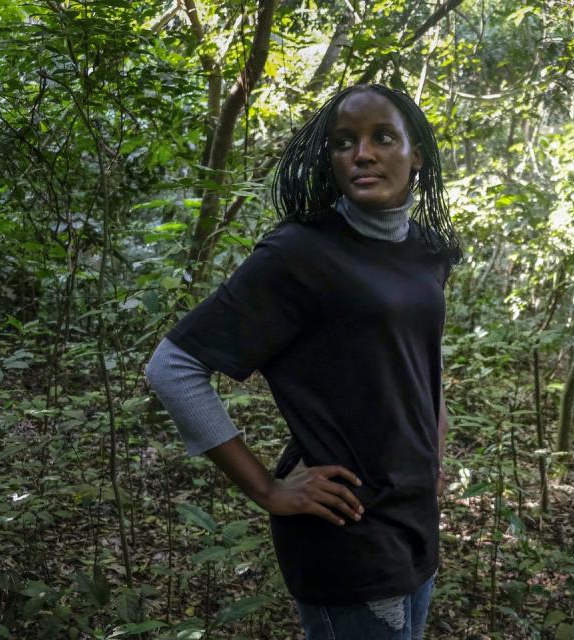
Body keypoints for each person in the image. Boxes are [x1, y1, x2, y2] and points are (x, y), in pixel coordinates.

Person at [145, 84, 460, 640]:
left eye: (382, 137)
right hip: (348, 531)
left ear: (417, 154)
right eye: (344, 143)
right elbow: (173, 367)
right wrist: (268, 489)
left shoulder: (428, 251)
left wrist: (433, 455)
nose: (361, 154)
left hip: (416, 521)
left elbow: (423, 357)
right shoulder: (300, 253)